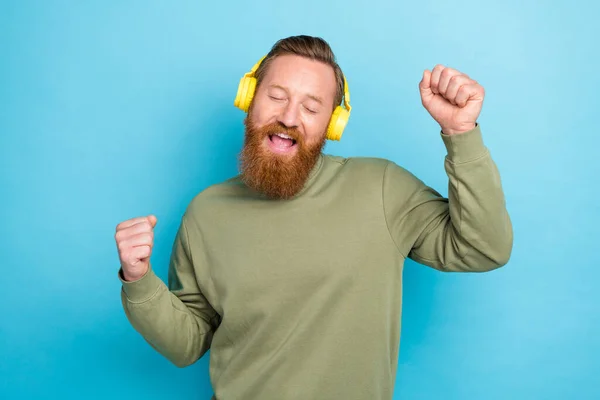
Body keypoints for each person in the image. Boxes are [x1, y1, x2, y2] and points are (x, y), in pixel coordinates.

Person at [114, 35, 513, 400]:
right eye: (277, 96)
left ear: (332, 125)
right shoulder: (205, 212)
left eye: (311, 107)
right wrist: (138, 280)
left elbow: (484, 248)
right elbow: (187, 344)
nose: (290, 117)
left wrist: (461, 134)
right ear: (248, 99)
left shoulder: (382, 188)